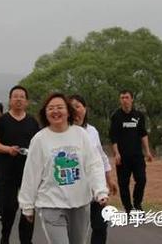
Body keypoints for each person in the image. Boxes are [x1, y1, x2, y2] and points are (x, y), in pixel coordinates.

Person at [18, 93, 109, 244]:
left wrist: (100, 190)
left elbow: (94, 164)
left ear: (68, 111)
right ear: (45, 113)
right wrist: (27, 205)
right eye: (51, 108)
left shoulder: (81, 135)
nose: (55, 111)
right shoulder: (39, 139)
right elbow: (31, 174)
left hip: (80, 203)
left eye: (60, 107)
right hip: (51, 203)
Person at [0, 86, 40, 244]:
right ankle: (5, 237)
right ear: (10, 100)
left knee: (28, 208)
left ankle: (26, 240)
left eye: (22, 97)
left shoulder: (32, 121)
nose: (18, 99)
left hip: (29, 172)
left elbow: (39, 145)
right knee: (9, 208)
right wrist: (8, 149)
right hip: (7, 171)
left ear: (26, 101)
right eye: (15, 96)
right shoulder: (1, 121)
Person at [69, 95, 118, 244]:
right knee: (76, 231)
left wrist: (109, 179)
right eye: (71, 107)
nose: (75, 110)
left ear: (85, 109)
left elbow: (101, 157)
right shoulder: (65, 132)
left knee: (100, 226)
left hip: (96, 186)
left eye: (78, 106)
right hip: (74, 188)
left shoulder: (92, 131)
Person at [109, 90, 153, 213]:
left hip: (137, 155)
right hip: (122, 157)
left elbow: (143, 134)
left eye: (127, 97)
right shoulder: (116, 116)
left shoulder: (139, 115)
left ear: (132, 99)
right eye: (122, 97)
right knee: (123, 183)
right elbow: (113, 137)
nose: (124, 100)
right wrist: (116, 153)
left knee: (141, 179)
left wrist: (147, 151)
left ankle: (137, 204)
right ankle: (128, 208)